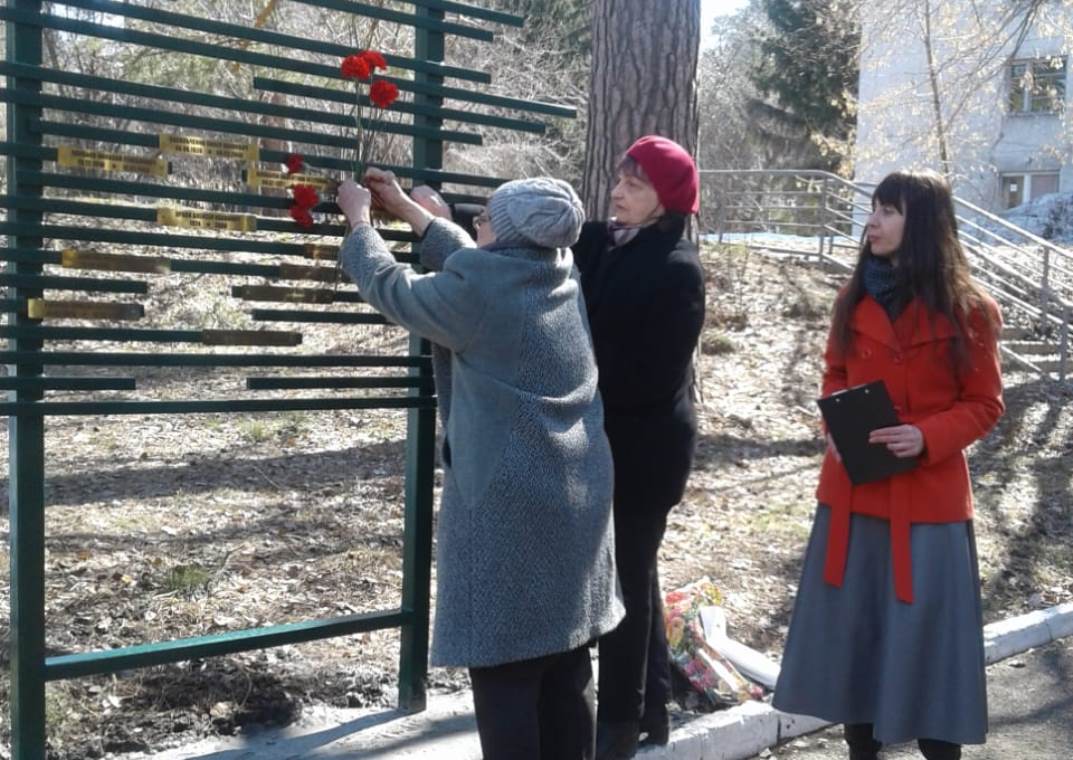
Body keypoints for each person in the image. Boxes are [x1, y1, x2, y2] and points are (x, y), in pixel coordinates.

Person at [335, 170, 624, 760]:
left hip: (512, 509)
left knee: (505, 673)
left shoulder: (485, 289)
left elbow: (396, 289)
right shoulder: (558, 271)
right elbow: (478, 262)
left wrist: (361, 221)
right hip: (578, 495)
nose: (477, 223)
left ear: (512, 233)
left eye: (488, 215)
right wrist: (413, 214)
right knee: (566, 664)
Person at [772, 169, 1004, 760]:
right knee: (859, 644)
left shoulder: (971, 311)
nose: (871, 222)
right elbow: (834, 373)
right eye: (873, 209)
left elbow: (984, 403)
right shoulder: (853, 299)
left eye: (888, 211)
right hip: (853, 496)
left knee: (932, 653)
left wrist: (924, 436)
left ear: (921, 223)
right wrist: (833, 426)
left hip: (929, 507)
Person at [572, 135, 707, 758]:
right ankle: (654, 704)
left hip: (645, 452)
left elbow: (651, 377)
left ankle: (619, 725)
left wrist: (571, 375)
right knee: (638, 573)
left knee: (623, 583)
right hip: (602, 439)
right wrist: (430, 209)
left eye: (635, 184)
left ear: (667, 201)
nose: (618, 192)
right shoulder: (602, 240)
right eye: (619, 180)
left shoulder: (677, 269)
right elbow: (525, 223)